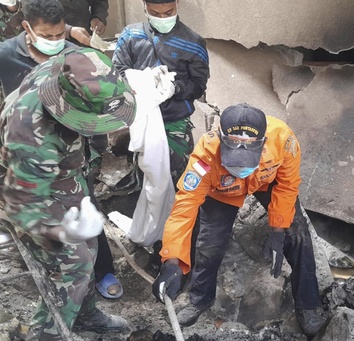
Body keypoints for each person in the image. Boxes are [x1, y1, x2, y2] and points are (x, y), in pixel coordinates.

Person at [152, 104, 327, 338]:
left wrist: (278, 228)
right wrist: (171, 261)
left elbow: (287, 185)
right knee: (209, 244)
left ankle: (308, 306)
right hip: (222, 191)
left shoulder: (283, 140)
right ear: (222, 142)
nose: (240, 168)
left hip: (266, 182)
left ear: (263, 143)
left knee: (297, 234)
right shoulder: (206, 154)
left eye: (247, 160)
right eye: (234, 161)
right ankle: (200, 299)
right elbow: (184, 208)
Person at [0, 47, 136, 340]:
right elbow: (21, 206)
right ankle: (45, 335)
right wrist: (60, 233)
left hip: (64, 169)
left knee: (92, 243)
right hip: (25, 187)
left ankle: (84, 315)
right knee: (73, 265)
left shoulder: (72, 68)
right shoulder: (31, 136)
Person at [0, 0, 124, 300]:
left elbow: (93, 106)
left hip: (71, 159)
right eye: (47, 35)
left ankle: (96, 282)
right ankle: (54, 313)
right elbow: (22, 207)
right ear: (27, 27)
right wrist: (61, 236)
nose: (54, 42)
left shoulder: (72, 56)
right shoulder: (6, 56)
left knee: (89, 232)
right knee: (65, 254)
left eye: (59, 35)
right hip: (29, 158)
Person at [112, 0, 209, 268]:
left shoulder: (192, 41)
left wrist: (173, 88)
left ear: (177, 5)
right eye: (156, 13)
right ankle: (155, 240)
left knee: (182, 186)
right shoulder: (131, 36)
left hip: (174, 124)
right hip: (142, 122)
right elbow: (116, 74)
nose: (162, 17)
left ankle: (179, 249)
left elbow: (199, 84)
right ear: (145, 7)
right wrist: (140, 82)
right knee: (149, 181)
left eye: (168, 13)